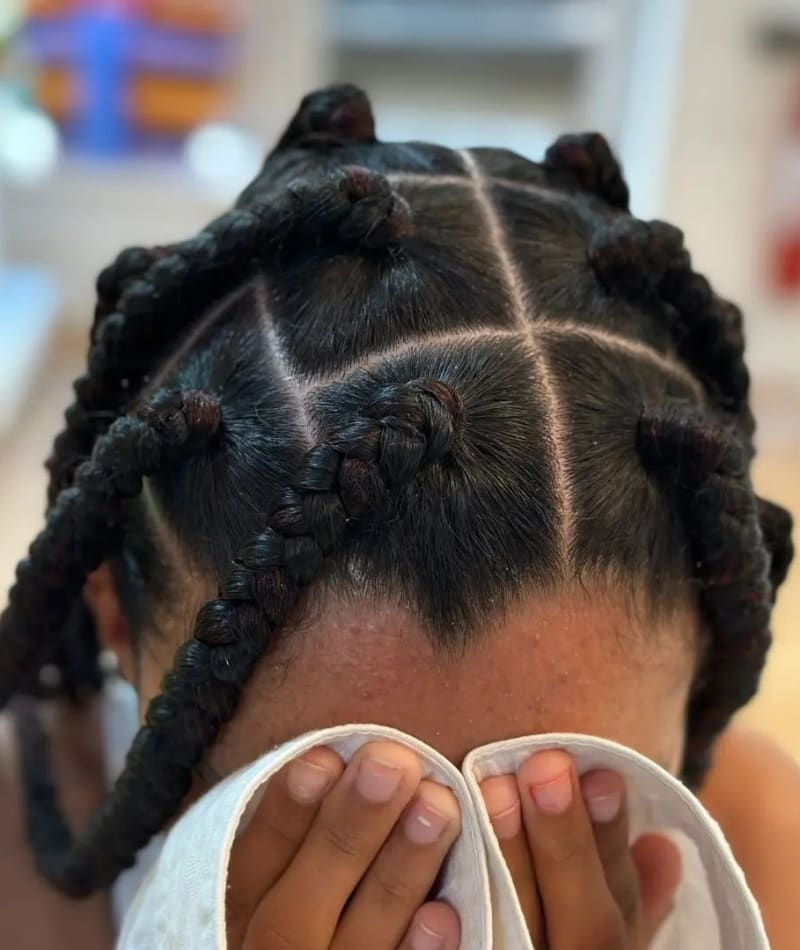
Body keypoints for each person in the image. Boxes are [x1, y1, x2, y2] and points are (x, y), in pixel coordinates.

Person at [0, 84, 797, 949]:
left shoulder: (760, 848)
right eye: (323, 814)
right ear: (113, 610)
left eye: (543, 826)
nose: (440, 919)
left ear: (704, 668)